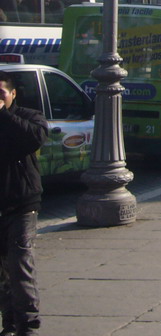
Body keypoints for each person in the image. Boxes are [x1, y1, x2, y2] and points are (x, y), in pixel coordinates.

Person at [0, 71, 48, 336]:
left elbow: (35, 137)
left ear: (13, 93)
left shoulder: (28, 117)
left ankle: (28, 326)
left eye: (1, 93)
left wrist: (4, 115)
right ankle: (8, 323)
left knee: (20, 268)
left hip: (21, 205)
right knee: (3, 275)